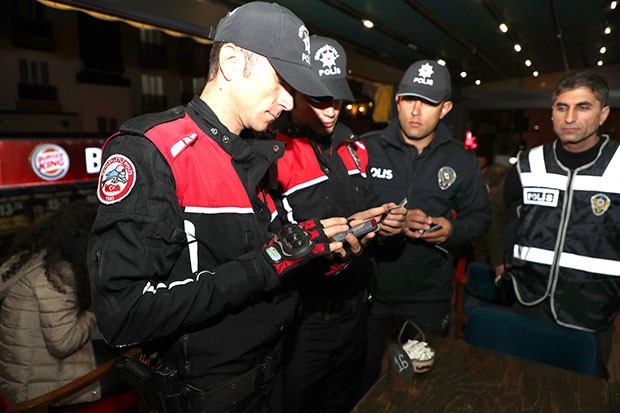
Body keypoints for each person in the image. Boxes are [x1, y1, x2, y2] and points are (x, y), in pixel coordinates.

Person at [86, 2, 359, 412]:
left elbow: (268, 262)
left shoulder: (258, 154)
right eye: (282, 81)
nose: (288, 101)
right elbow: (125, 314)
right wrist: (267, 264)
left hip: (273, 380)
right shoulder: (153, 151)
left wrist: (317, 254)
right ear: (232, 61)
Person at [266, 35, 406, 412]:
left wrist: (387, 221)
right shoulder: (272, 154)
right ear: (293, 92)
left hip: (358, 312)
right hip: (306, 322)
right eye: (319, 99)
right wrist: (342, 229)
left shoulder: (354, 147)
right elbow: (271, 243)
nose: (331, 111)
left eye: (338, 99)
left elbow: (372, 207)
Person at [359, 59, 491, 394]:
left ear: (445, 108)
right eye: (410, 99)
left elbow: (480, 216)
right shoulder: (366, 148)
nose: (416, 111)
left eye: (429, 102)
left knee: (422, 386)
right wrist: (378, 223)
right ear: (398, 100)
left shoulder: (461, 160)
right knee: (359, 381)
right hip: (365, 291)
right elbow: (343, 213)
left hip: (427, 296)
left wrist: (451, 229)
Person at [501, 70, 619, 378]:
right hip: (529, 301)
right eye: (561, 107)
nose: (569, 117)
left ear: (603, 113)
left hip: (592, 309)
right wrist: (502, 260)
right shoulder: (529, 163)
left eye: (583, 107)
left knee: (582, 397)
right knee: (520, 384)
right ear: (552, 112)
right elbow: (498, 213)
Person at [0, 201, 102, 405]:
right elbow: (62, 344)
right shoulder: (55, 276)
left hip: (19, 377)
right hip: (37, 391)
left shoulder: (32, 259)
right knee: (138, 367)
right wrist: (94, 310)